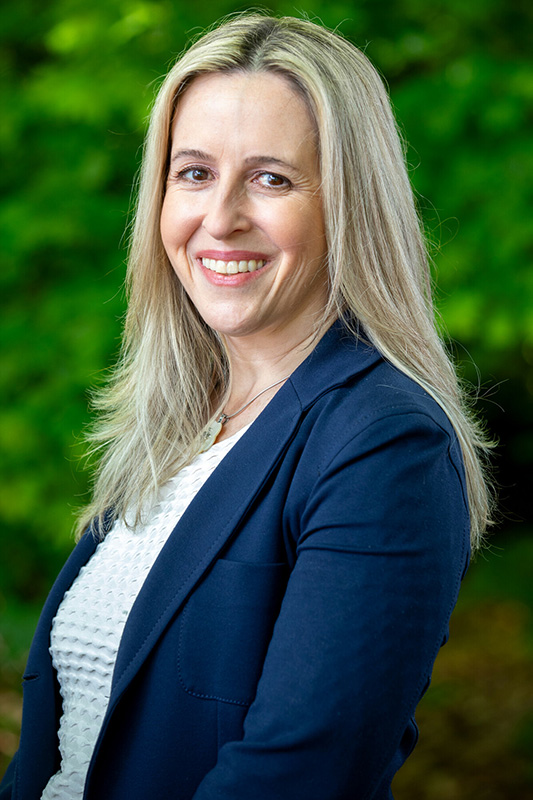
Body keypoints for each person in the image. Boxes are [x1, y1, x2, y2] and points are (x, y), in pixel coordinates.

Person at [0, 13, 494, 800]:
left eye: (271, 179)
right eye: (194, 173)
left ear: (350, 204)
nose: (220, 217)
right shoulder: (179, 428)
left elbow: (297, 772)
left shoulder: (383, 442)